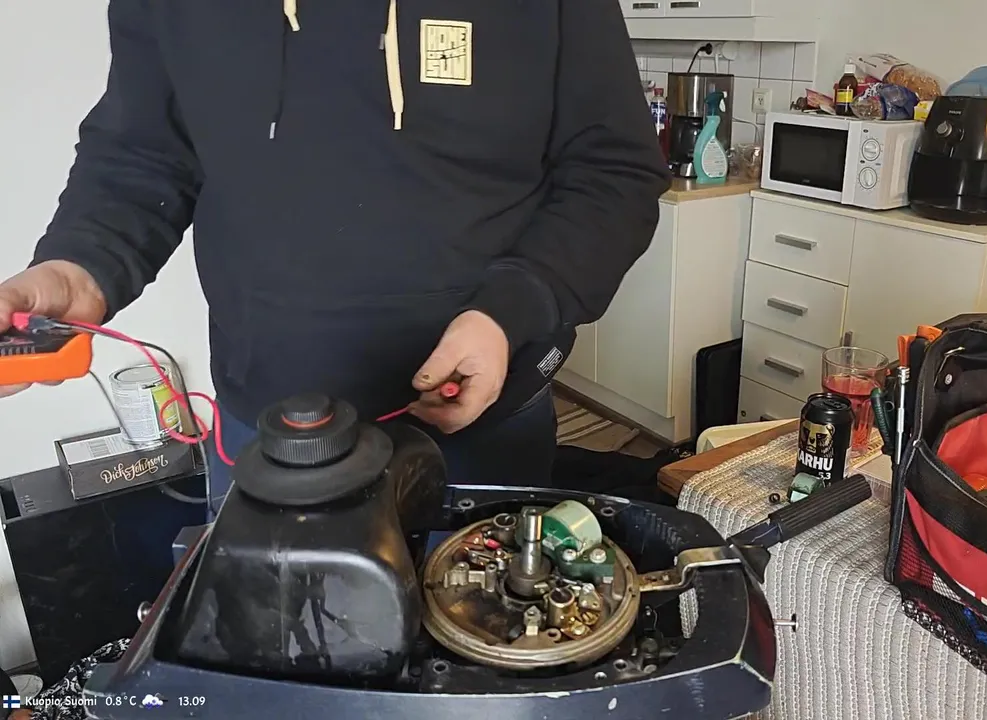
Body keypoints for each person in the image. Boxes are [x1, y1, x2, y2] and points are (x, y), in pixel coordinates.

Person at [0, 1, 668, 514]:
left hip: (481, 419)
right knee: (276, 650)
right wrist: (79, 265)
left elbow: (615, 171)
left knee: (487, 649)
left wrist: (510, 311)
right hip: (261, 427)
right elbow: (144, 156)